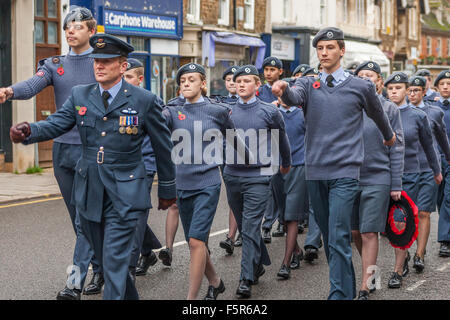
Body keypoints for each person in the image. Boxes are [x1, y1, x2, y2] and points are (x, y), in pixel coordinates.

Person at [9, 34, 177, 299]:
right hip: (89, 191)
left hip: (125, 192)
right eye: (97, 60)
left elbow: (163, 148)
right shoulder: (80, 95)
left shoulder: (143, 100)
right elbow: (56, 123)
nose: (98, 65)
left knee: (113, 261)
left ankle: (79, 286)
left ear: (122, 66)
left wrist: (167, 188)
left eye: (107, 61)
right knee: (107, 262)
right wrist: (29, 130)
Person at [271, 27, 396, 300]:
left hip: (346, 171)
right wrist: (283, 90)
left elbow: (378, 114)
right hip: (316, 171)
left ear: (342, 50)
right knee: (330, 238)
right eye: (320, 49)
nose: (324, 53)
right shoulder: (307, 84)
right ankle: (347, 289)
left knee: (340, 235)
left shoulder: (360, 86)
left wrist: (389, 137)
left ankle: (338, 294)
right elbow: (294, 97)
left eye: (330, 48)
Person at [0, 6, 102, 300]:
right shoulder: (55, 64)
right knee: (77, 217)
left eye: (78, 26)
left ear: (91, 32)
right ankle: (118, 257)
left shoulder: (101, 62)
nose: (70, 30)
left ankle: (75, 283)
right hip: (62, 150)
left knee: (85, 218)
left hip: (92, 149)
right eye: (68, 26)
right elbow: (33, 85)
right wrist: (9, 91)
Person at [162, 63, 238, 300]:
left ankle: (191, 300)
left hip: (208, 183)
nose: (186, 83)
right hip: (182, 184)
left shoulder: (218, 111)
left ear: (203, 84)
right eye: (183, 80)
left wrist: (250, 162)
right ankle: (215, 282)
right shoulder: (171, 111)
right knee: (196, 243)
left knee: (195, 242)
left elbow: (233, 138)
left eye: (192, 79)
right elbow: (155, 126)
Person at [223, 64, 291, 298]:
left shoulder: (269, 111)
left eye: (246, 81)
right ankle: (258, 264)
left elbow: (282, 140)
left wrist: (286, 162)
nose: (240, 84)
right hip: (232, 175)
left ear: (257, 85)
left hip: (259, 177)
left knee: (251, 227)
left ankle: (246, 278)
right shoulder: (226, 110)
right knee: (244, 226)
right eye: (237, 81)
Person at [352, 61, 405, 300]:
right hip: (349, 177)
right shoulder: (348, 107)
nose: (365, 78)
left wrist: (396, 184)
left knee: (369, 232)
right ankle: (369, 269)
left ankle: (367, 283)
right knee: (355, 232)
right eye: (360, 75)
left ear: (379, 82)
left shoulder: (389, 109)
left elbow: (397, 148)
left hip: (378, 177)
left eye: (370, 75)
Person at [384, 72, 441, 289]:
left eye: (398, 88)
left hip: (419, 172)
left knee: (422, 213)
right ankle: (402, 261)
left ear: (407, 91)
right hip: (395, 175)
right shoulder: (381, 114)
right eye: (390, 88)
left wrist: (436, 171)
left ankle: (419, 254)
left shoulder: (418, 115)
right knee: (400, 221)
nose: (394, 92)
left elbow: (429, 145)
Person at [123, 58, 163, 278]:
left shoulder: (150, 100)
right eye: (122, 76)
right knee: (123, 213)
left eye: (129, 77)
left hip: (144, 166)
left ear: (140, 79)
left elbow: (162, 138)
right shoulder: (114, 99)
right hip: (120, 166)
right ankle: (147, 252)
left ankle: (127, 267)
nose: (124, 81)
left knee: (135, 215)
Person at [407, 75, 450, 273]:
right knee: (406, 215)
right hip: (405, 169)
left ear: (425, 92)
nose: (412, 93)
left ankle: (420, 254)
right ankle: (404, 250)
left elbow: (442, 138)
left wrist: (448, 158)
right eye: (410, 90)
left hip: (428, 169)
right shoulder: (397, 112)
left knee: (424, 212)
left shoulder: (434, 112)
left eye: (416, 90)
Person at [275, 96, 308, 280]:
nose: (284, 98)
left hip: (298, 166)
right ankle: (296, 249)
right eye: (281, 95)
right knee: (283, 216)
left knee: (292, 216)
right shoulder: (273, 113)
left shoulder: (303, 115)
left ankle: (286, 262)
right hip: (276, 168)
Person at [258, 57, 285, 242]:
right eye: (266, 69)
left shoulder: (287, 88)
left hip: (283, 142)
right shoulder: (259, 91)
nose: (269, 73)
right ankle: (267, 225)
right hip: (265, 143)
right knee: (269, 186)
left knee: (281, 187)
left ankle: (284, 219)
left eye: (272, 69)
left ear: (280, 72)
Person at [217, 65, 242, 255]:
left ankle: (241, 232)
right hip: (225, 156)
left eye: (236, 79)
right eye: (228, 80)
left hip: (246, 156)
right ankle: (231, 237)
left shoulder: (251, 102)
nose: (232, 83)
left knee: (244, 197)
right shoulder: (218, 103)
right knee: (233, 196)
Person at [434, 70, 450, 257]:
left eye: (449, 83)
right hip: (436, 160)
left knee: (448, 198)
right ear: (436, 87)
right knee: (440, 199)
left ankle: (445, 240)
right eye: (443, 83)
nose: (446, 86)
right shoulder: (431, 108)